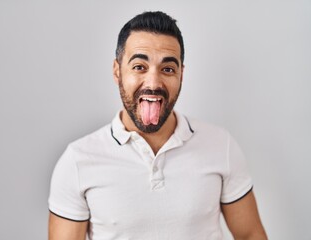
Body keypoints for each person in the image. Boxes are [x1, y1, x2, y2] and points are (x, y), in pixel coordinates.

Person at [48, 11, 267, 240]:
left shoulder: (221, 146)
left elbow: (251, 234)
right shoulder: (77, 161)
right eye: (139, 67)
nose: (153, 83)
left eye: (168, 69)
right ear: (117, 71)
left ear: (181, 75)